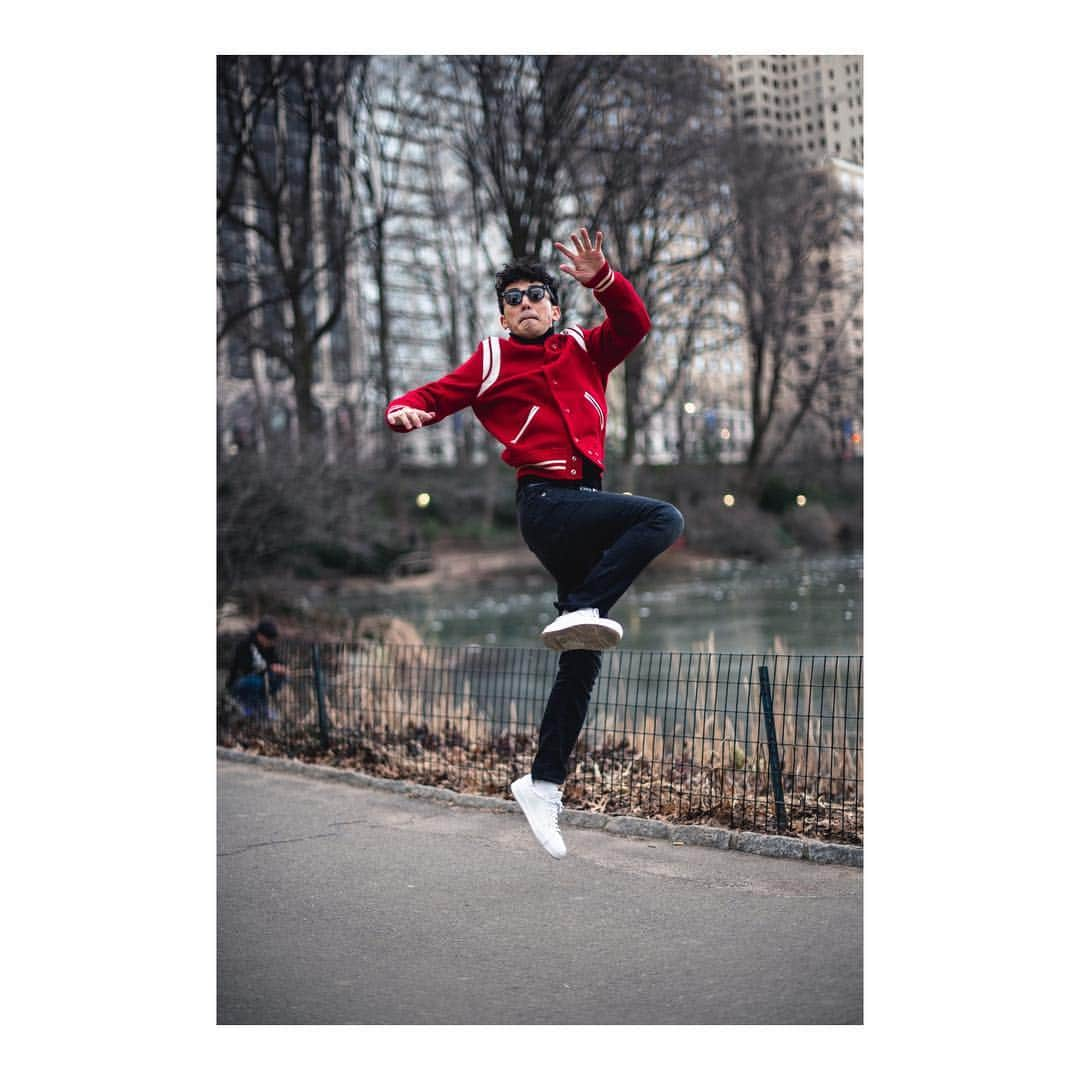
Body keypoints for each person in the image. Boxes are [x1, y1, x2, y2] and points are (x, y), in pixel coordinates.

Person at [386, 227, 683, 858]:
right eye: (513, 297)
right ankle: (583, 609)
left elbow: (634, 323)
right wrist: (404, 409)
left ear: (555, 306)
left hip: (587, 501)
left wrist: (602, 277)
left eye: (537, 295)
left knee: (582, 654)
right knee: (662, 519)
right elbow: (437, 395)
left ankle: (543, 782)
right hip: (547, 505)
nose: (525, 303)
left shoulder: (584, 347)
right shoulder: (493, 360)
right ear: (503, 314)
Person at [227, 618, 288, 718]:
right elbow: (246, 667)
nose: (271, 642)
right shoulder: (244, 646)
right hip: (240, 682)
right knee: (256, 682)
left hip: (262, 679)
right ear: (260, 636)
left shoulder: (269, 648)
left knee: (281, 679)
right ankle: (244, 705)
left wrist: (281, 667)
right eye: (269, 639)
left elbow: (276, 661)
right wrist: (269, 668)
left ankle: (261, 705)